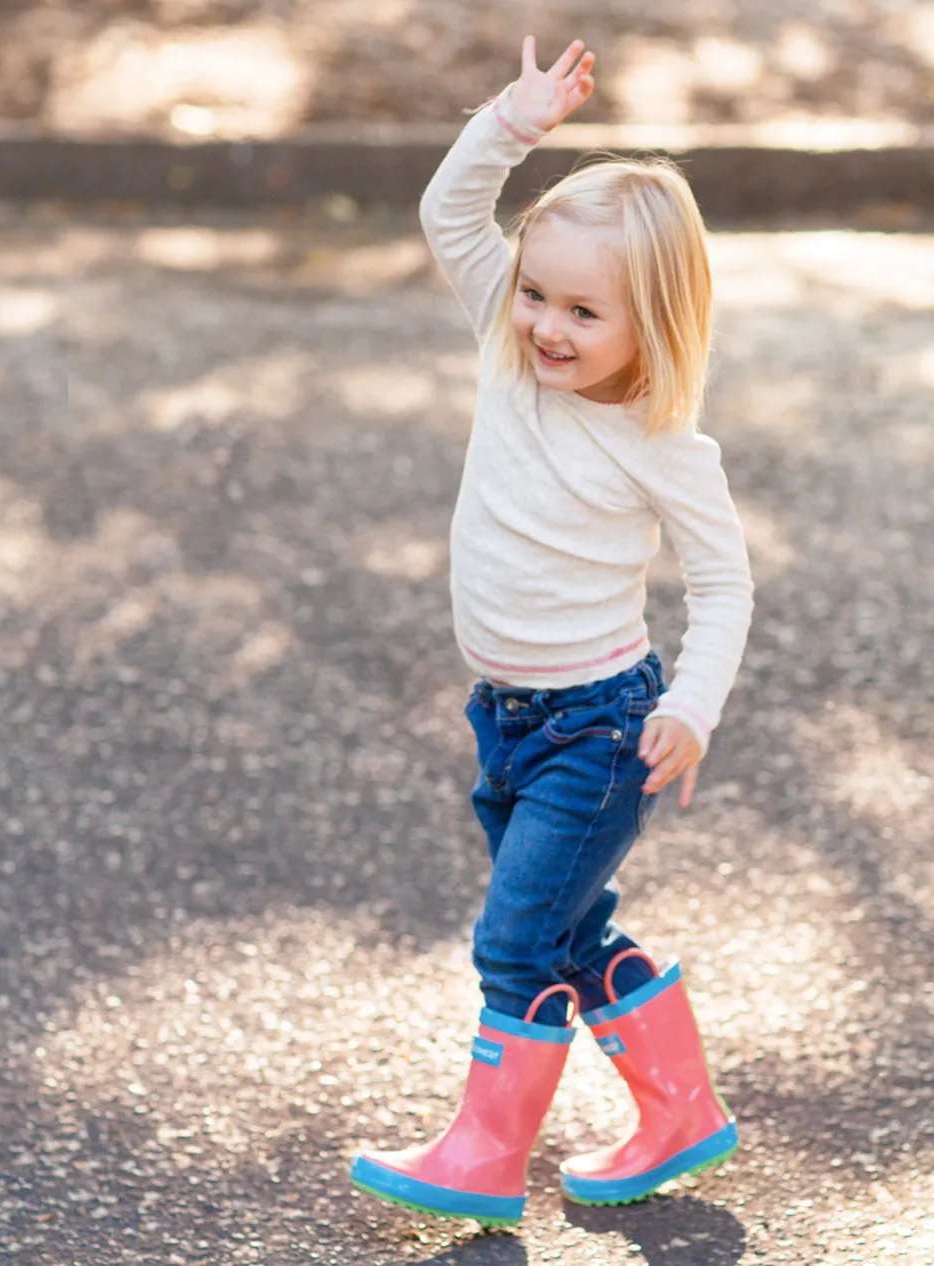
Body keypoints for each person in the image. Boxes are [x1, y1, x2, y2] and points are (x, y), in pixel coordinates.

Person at [350, 35, 754, 1225]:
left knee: (515, 941)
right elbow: (448, 211)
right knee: (574, 931)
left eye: (584, 311)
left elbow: (724, 587)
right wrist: (511, 124)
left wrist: (689, 707)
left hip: (599, 729)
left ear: (655, 324)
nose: (546, 327)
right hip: (507, 721)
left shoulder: (664, 448)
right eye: (535, 293)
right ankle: (682, 1113)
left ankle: (483, 1159)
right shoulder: (506, 350)